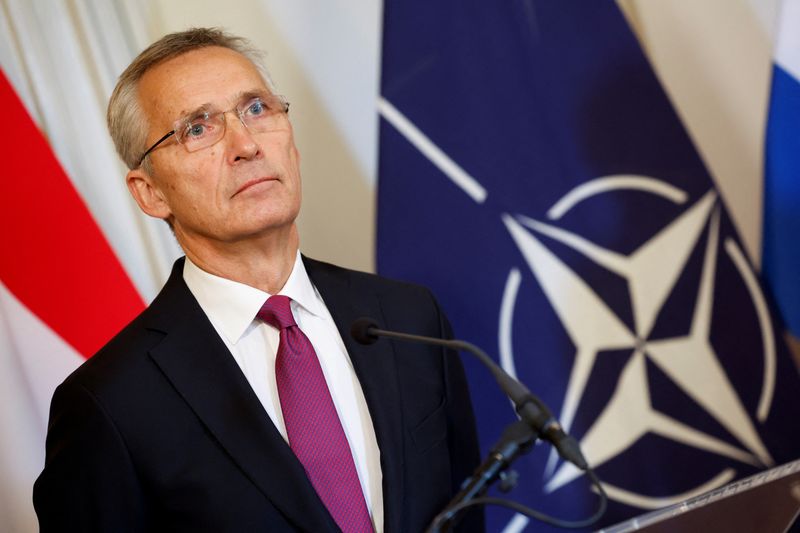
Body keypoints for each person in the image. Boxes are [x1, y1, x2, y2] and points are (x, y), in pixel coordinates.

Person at [32, 28, 483, 533]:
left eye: (256, 109)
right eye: (197, 129)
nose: (245, 144)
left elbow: (465, 511)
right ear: (151, 193)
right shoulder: (110, 403)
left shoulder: (408, 317)